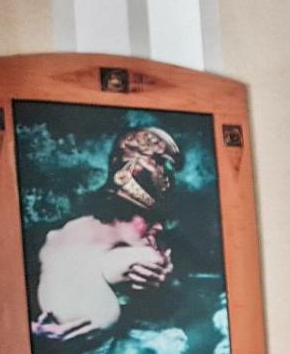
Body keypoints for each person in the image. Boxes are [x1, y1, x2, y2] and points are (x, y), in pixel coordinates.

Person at [32, 126, 180, 342]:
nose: (159, 227)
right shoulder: (45, 243)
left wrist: (165, 280)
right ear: (121, 211)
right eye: (148, 217)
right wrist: (33, 333)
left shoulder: (138, 245)